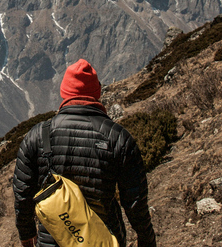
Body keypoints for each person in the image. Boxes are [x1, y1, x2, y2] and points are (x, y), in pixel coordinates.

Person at [13, 59, 157, 247]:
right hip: (103, 239)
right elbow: (135, 202)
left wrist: (26, 234)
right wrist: (146, 238)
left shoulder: (38, 136)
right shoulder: (118, 138)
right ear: (96, 93)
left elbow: (22, 193)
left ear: (64, 93)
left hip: (53, 240)